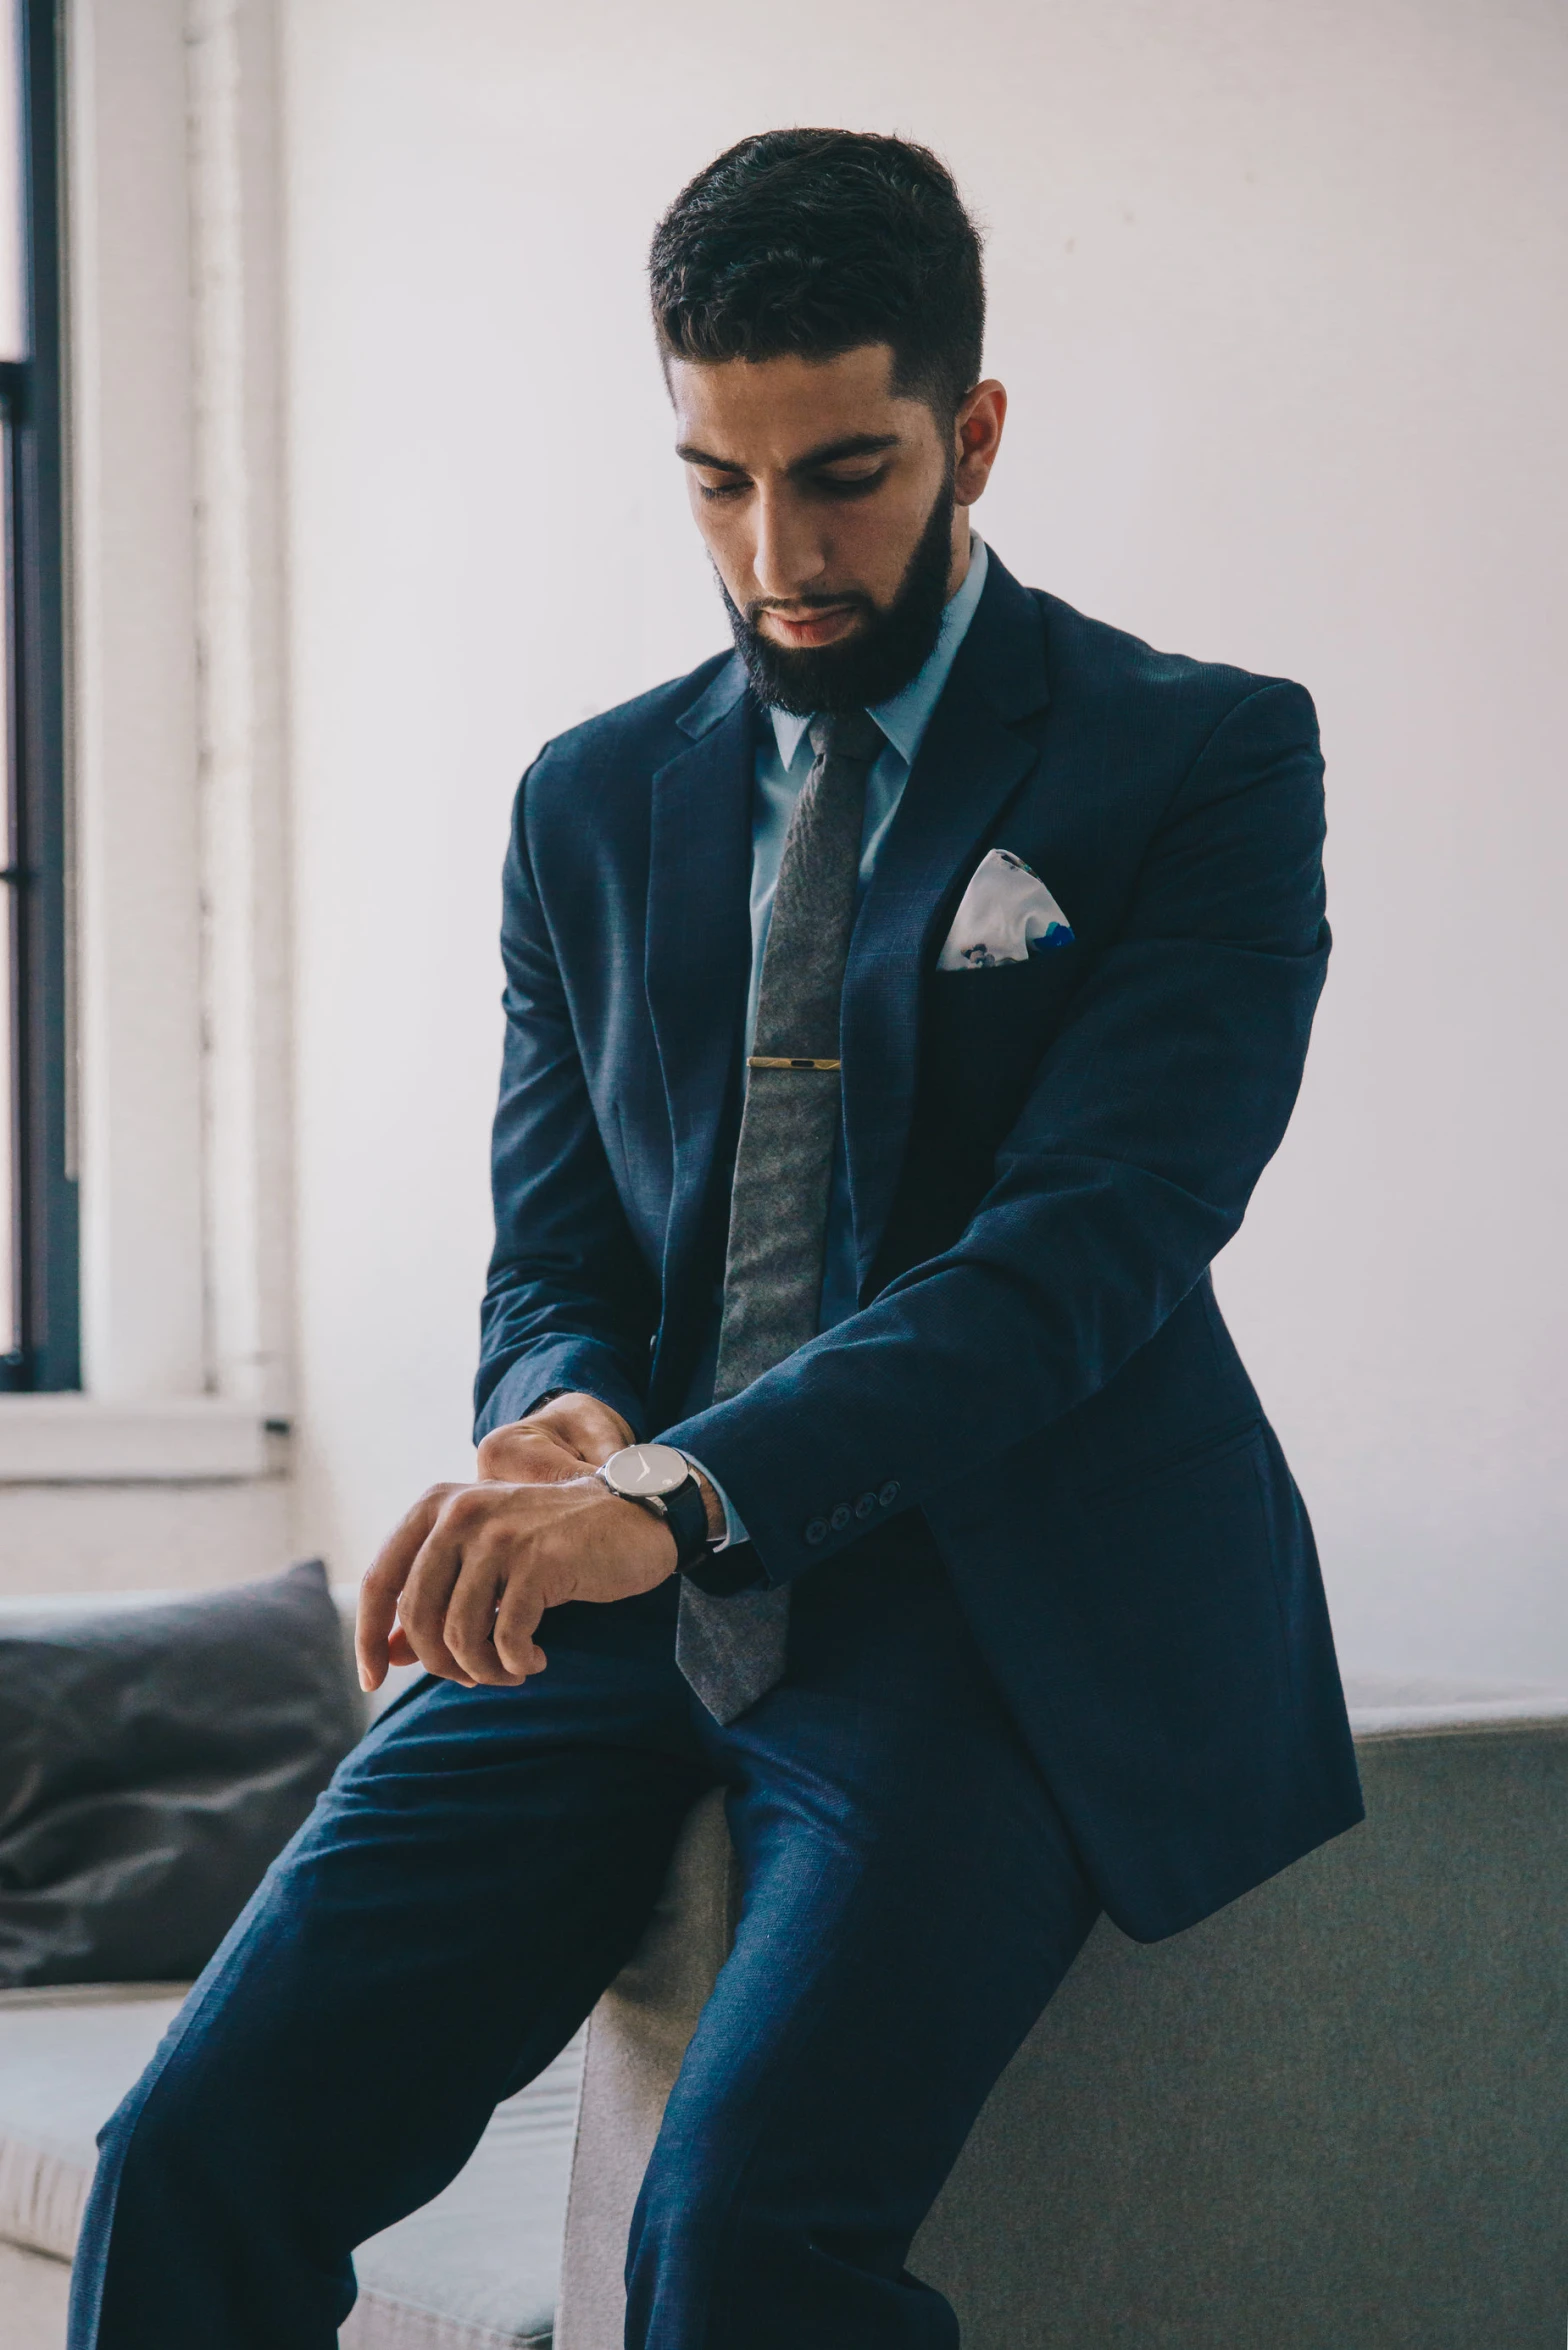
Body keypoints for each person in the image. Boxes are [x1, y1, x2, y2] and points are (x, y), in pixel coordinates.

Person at [70, 128, 1362, 2349]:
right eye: (716, 480)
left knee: (739, 2243)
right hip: (623, 1599)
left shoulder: (1204, 761)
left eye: (844, 472)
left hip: (987, 1603)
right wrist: (554, 1412)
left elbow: (1082, 1254)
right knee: (191, 2158)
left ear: (970, 428)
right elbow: (554, 1241)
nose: (779, 551)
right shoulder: (588, 798)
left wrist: (673, 1490)